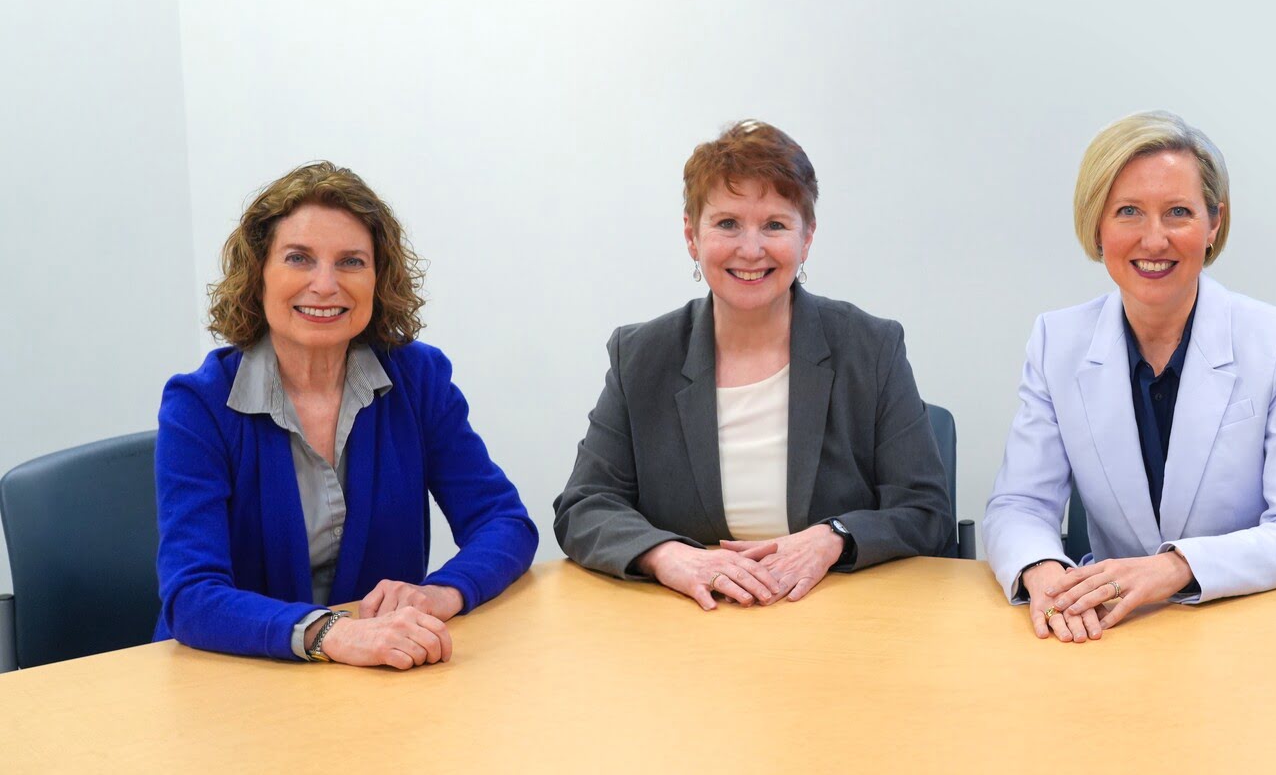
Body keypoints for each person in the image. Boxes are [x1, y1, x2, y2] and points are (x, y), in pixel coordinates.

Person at [555, 120, 952, 610]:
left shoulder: (870, 348)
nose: (750, 249)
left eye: (775, 225)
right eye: (727, 223)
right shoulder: (640, 356)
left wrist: (834, 537)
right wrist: (667, 555)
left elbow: (925, 510)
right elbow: (584, 506)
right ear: (691, 236)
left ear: (806, 238)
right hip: (689, 620)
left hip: (839, 614)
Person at [155, 161, 538, 668]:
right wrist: (331, 634)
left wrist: (441, 592)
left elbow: (503, 521)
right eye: (299, 258)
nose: (325, 284)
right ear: (258, 273)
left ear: (378, 279)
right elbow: (192, 597)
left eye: (351, 262)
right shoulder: (198, 405)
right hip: (230, 678)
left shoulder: (418, 380)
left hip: (377, 679)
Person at [980, 110, 1276, 643]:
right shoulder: (1057, 342)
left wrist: (1173, 568)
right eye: (1128, 212)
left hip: (1260, 630)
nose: (1154, 240)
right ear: (1097, 225)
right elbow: (1020, 504)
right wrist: (1044, 572)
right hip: (1120, 632)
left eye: (1178, 213)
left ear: (1213, 224)